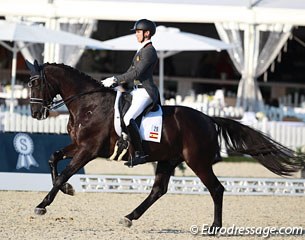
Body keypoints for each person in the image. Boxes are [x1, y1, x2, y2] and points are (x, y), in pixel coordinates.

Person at [101, 19, 160, 166]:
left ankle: (140, 153)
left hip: (146, 92)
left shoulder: (149, 51)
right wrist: (116, 83)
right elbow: (130, 72)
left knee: (128, 118)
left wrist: (115, 79)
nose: (136, 35)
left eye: (138, 32)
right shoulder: (141, 50)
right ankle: (124, 142)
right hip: (135, 91)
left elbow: (137, 73)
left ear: (147, 33)